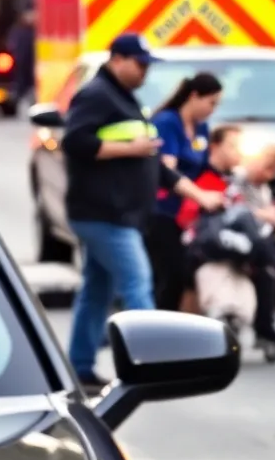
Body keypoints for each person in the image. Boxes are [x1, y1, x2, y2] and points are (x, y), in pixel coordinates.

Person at [61, 33, 225, 390]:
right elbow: (74, 142)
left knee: (97, 291)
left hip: (117, 213)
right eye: (140, 64)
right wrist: (128, 149)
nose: (145, 72)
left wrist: (198, 195)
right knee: (138, 284)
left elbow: (155, 163)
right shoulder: (96, 95)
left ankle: (80, 367)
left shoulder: (123, 97)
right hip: (103, 213)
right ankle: (153, 365)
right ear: (117, 59)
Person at [180, 128, 275, 348]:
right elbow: (223, 207)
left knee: (263, 264)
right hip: (204, 240)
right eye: (232, 147)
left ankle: (258, 324)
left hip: (233, 241)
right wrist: (262, 216)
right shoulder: (218, 177)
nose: (238, 154)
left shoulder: (246, 183)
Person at [144, 72, 223, 311]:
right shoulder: (167, 122)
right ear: (194, 96)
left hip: (188, 213)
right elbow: (167, 171)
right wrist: (199, 194)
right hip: (163, 211)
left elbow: (206, 165)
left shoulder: (201, 128)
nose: (213, 109)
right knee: (169, 274)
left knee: (183, 274)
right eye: (211, 103)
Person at [6, 5, 36, 105]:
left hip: (31, 62)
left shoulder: (33, 31)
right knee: (21, 80)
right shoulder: (18, 30)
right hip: (20, 62)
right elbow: (12, 45)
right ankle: (18, 95)